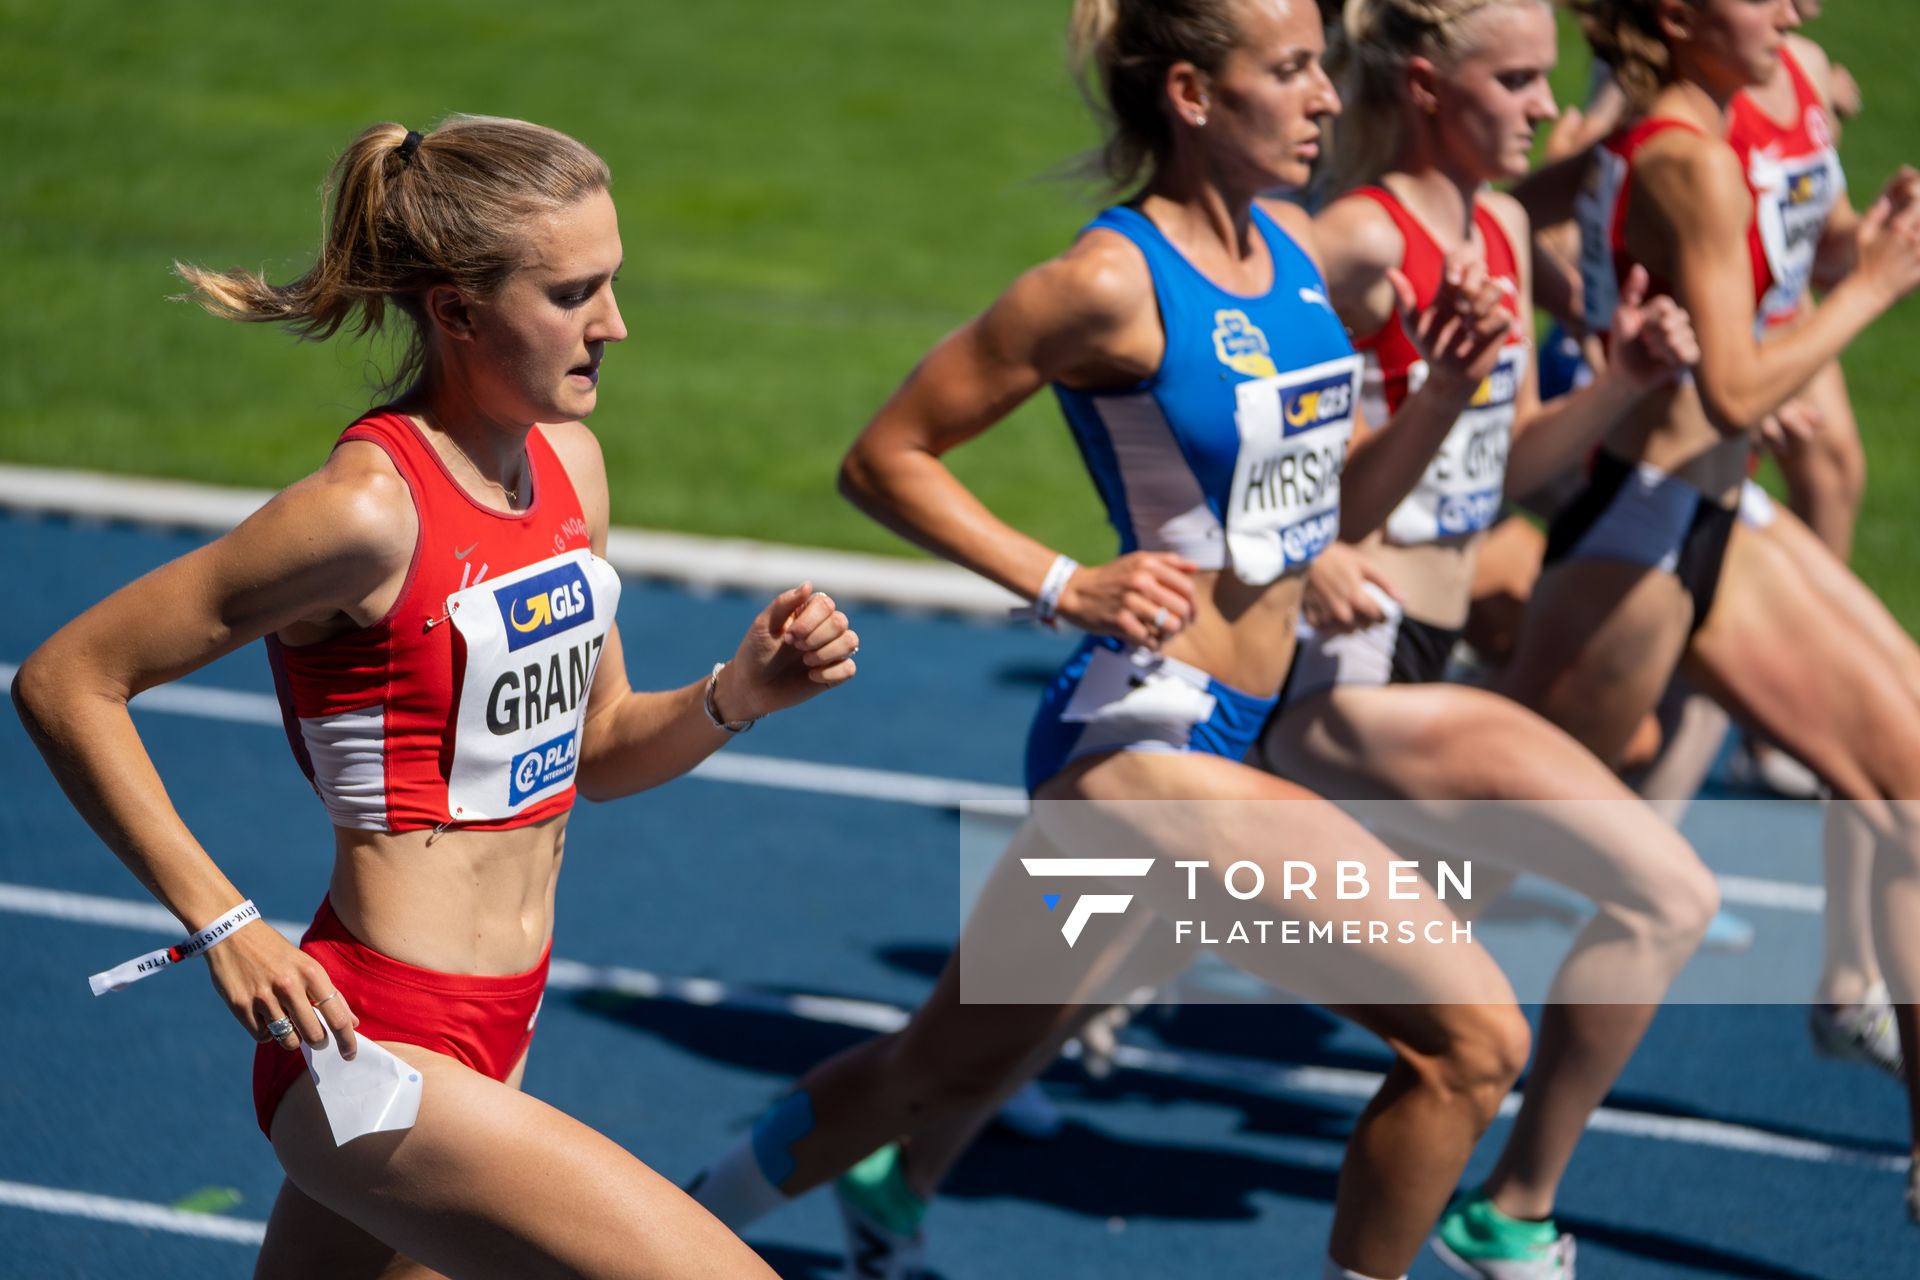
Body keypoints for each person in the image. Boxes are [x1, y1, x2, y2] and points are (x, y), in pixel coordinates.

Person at [689, 4, 1528, 1278]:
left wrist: (1451, 390)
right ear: (1192, 94)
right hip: (1144, 738)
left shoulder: (1298, 256)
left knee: (934, 1069)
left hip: (1237, 728)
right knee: (1475, 1037)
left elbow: (1322, 512)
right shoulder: (1108, 282)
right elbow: (884, 457)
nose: (1322, 99)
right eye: (1291, 70)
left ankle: (664, 1232)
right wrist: (1062, 582)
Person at [10, 115, 860, 1279]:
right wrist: (222, 920)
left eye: (613, 283)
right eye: (575, 293)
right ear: (455, 310)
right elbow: (69, 679)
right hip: (377, 1040)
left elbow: (598, 750)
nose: (615, 323)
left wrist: (738, 693)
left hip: (503, 1014)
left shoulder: (567, 465)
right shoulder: (365, 513)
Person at [1263, 2, 1711, 1274]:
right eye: (1512, 82)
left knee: (990, 1020)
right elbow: (1245, 441)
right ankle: (1509, 1215)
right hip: (1339, 671)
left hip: (1429, 646)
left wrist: (1617, 382)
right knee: (1667, 889)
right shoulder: (1351, 239)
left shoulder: (1506, 226)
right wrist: (1316, 545)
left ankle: (896, 1152)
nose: (1542, 111)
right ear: (1422, 85)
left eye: (1542, 82)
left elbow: (1485, 472)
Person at [1502, 0, 1920, 1223]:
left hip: (1716, 524)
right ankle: (1091, 935)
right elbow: (1734, 384)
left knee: (1904, 776)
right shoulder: (1683, 158)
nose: (1803, 8)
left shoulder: (1753, 106)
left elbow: (1803, 264)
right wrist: (1878, 288)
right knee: (1429, 864)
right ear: (1679, 17)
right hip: (1633, 538)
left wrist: (1868, 243)